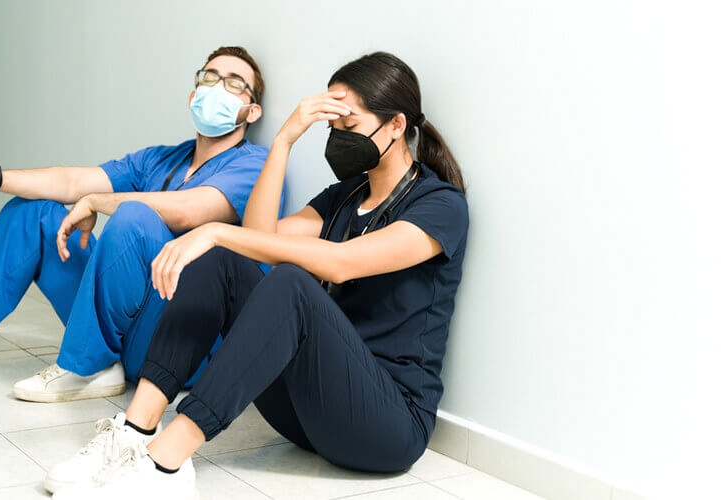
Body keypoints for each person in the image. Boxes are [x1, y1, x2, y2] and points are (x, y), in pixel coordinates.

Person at [45, 51, 470, 499]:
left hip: (387, 427)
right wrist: (285, 140)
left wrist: (212, 230)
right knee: (224, 260)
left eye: (350, 128)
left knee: (288, 280)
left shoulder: (440, 206)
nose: (339, 139)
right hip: (310, 415)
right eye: (332, 129)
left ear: (397, 126)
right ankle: (133, 431)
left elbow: (342, 262)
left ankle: (165, 465)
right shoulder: (346, 197)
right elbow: (256, 238)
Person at [0, 46, 269, 404]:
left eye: (234, 83)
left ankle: (86, 365)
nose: (218, 87)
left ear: (252, 111)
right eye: (210, 77)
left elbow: (187, 210)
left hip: (181, 342)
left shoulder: (254, 165)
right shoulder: (162, 159)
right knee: (34, 211)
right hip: (127, 323)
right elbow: (72, 182)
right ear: (193, 95)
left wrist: (97, 203)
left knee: (135, 215)